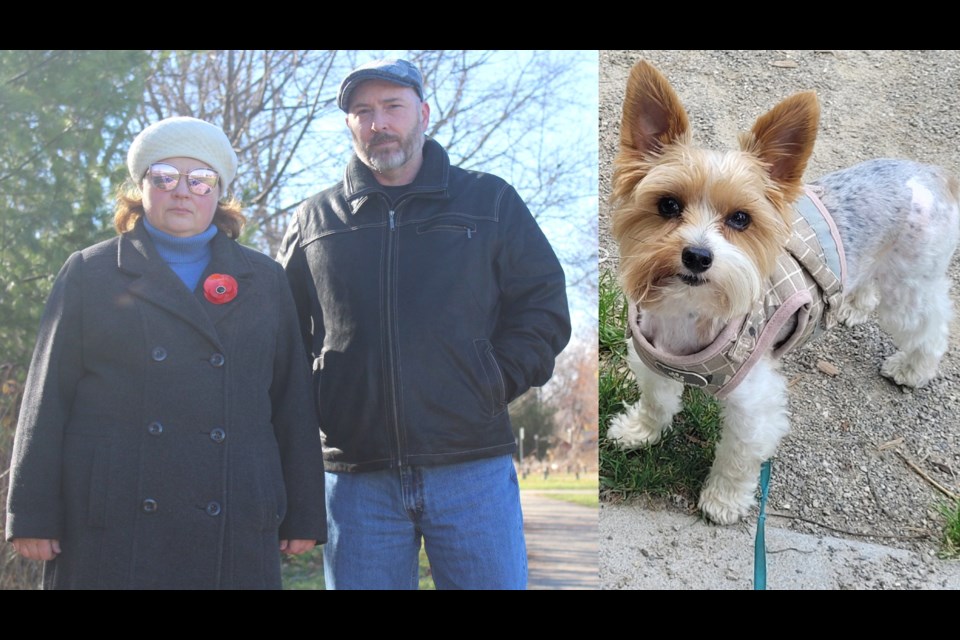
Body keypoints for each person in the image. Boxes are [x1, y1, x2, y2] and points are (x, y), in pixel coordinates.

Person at [278, 59, 571, 589]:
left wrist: (490, 381)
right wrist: (320, 408)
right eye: (363, 112)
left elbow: (543, 305)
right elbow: (284, 342)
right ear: (349, 125)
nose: (378, 123)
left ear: (424, 114)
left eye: (392, 106)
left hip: (470, 467)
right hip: (355, 479)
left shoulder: (490, 200)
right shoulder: (313, 221)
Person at [5, 116, 325, 589]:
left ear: (219, 193)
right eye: (165, 177)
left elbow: (291, 402)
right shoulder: (90, 272)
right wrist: (30, 513)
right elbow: (45, 397)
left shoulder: (264, 280)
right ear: (141, 187)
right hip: (113, 517)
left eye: (200, 179)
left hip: (232, 512)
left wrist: (302, 510)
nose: (182, 191)